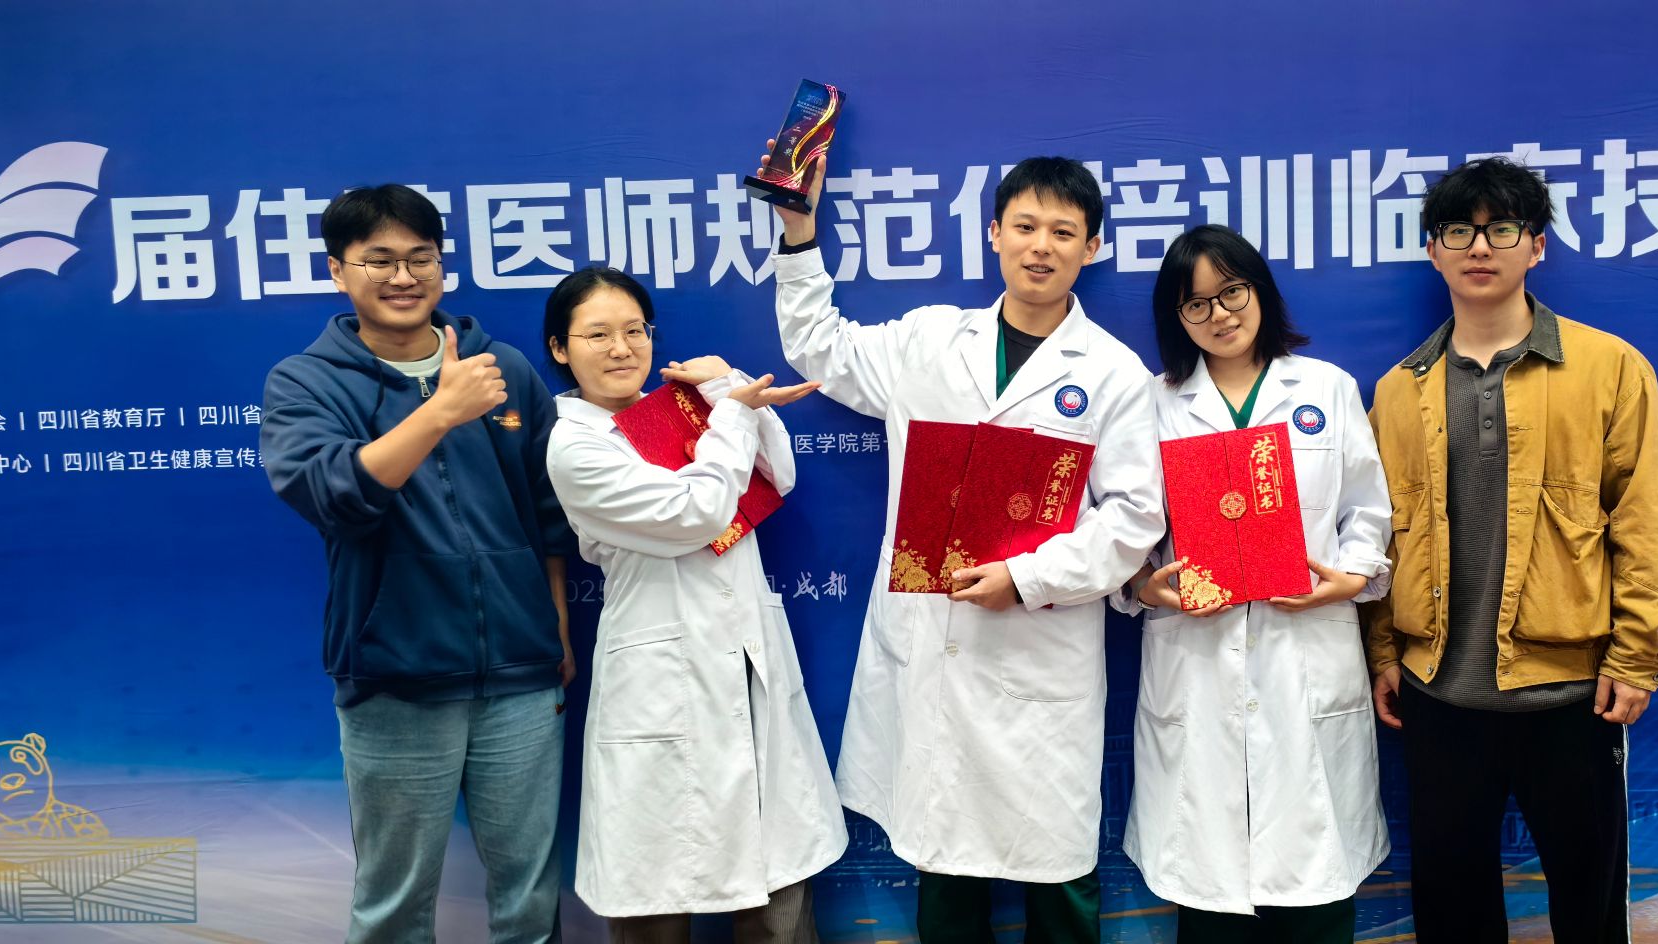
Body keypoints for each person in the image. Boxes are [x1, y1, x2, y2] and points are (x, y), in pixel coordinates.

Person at [763, 146, 1167, 943]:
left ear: (1092, 247)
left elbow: (1131, 519)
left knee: (1056, 864)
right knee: (944, 860)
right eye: (1025, 226)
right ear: (994, 234)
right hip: (936, 647)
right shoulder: (930, 341)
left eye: (1063, 232)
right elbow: (819, 348)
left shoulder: (1115, 374)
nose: (1041, 246)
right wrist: (797, 231)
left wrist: (1026, 577)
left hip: (1039, 652)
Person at [1364, 157, 1658, 942]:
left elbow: (1649, 518)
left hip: (1572, 698)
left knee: (1589, 912)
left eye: (1503, 229)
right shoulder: (1398, 389)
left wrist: (1638, 657)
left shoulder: (1608, 368)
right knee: (1452, 917)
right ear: (1433, 251)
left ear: (1537, 245)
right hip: (1438, 696)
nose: (1481, 247)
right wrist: (1382, 649)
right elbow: (1378, 535)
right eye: (1459, 231)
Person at [261, 183, 574, 943]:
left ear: (441, 265)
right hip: (395, 678)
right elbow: (335, 495)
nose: (403, 277)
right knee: (394, 904)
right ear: (339, 271)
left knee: (530, 899)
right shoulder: (305, 381)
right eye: (379, 260)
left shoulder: (503, 368)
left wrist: (557, 635)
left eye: (420, 258)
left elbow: (549, 519)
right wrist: (439, 410)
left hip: (521, 676)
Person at [540, 266, 844, 943]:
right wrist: (732, 411)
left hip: (745, 654)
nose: (621, 348)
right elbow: (698, 512)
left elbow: (777, 475)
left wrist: (724, 390)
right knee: (656, 877)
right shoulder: (573, 444)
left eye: (634, 330)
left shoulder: (677, 409)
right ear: (561, 348)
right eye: (597, 335)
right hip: (658, 674)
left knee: (774, 874)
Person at [1117, 224, 1394, 942]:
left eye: (1231, 292)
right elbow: (1118, 526)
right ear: (1177, 317)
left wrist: (1350, 578)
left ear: (1259, 291)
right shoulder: (1152, 403)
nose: (1220, 315)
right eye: (1196, 303)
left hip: (1306, 651)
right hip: (1197, 658)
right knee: (1208, 892)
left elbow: (1368, 510)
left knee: (1316, 881)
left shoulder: (1326, 388)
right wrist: (1143, 585)